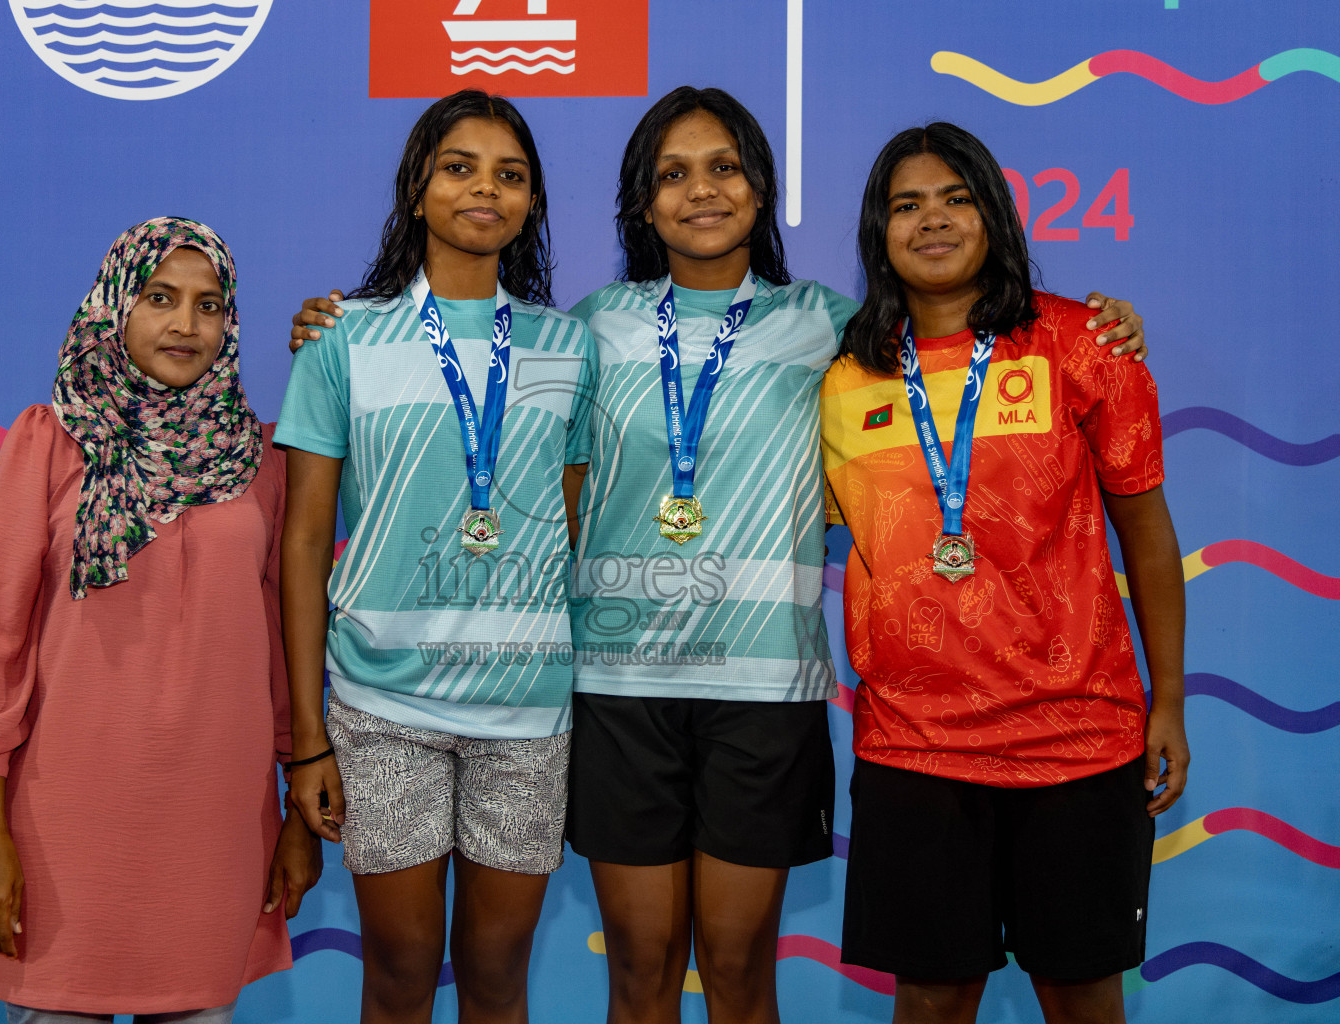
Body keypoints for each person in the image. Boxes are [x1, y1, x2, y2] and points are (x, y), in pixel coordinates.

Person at [287, 87, 1147, 1024]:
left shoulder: (836, 331)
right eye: (673, 173)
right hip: (619, 692)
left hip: (764, 697)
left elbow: (961, 337)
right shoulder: (584, 331)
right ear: (642, 204)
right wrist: (333, 325)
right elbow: (509, 428)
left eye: (725, 167)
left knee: (739, 975)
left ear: (761, 187)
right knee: (641, 971)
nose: (701, 191)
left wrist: (1101, 325)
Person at [820, 123, 1189, 1024]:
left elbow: (1146, 533)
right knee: (934, 999)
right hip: (914, 746)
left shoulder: (1081, 343)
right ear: (878, 232)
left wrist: (1168, 698)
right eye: (907, 205)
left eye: (957, 197)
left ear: (996, 214)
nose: (933, 220)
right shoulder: (843, 376)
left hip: (1079, 741)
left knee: (1081, 996)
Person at [0, 218, 319, 1023]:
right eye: (159, 298)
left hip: (214, 822)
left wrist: (292, 811)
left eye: (209, 305)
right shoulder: (49, 442)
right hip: (67, 823)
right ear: (114, 308)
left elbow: (282, 656)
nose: (186, 325)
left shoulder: (263, 462)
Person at [275, 90, 596, 1024]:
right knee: (401, 971)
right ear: (417, 188)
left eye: (510, 173)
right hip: (382, 709)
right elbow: (303, 541)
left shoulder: (566, 346)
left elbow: (566, 534)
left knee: (498, 975)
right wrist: (308, 737)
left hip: (527, 712)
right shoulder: (342, 339)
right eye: (459, 166)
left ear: (532, 201)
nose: (484, 188)